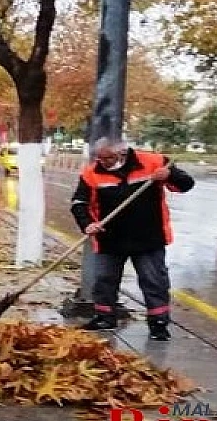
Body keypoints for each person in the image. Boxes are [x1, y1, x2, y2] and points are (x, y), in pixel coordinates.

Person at [70, 137, 195, 341]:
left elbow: (186, 184)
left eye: (107, 158)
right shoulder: (92, 173)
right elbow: (79, 203)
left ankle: (158, 324)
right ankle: (104, 317)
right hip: (109, 237)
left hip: (148, 237)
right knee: (104, 280)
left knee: (154, 281)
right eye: (99, 158)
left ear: (122, 153)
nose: (103, 162)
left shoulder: (154, 162)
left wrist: (169, 175)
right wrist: (88, 224)